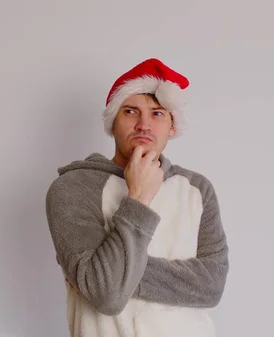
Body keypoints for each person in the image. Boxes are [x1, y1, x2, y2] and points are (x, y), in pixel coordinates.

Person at [45, 58, 229, 337]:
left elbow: (211, 287)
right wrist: (138, 196)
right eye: (130, 111)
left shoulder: (197, 189)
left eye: (157, 113)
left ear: (172, 126)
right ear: (112, 123)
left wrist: (115, 274)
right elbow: (106, 295)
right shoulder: (72, 187)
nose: (144, 125)